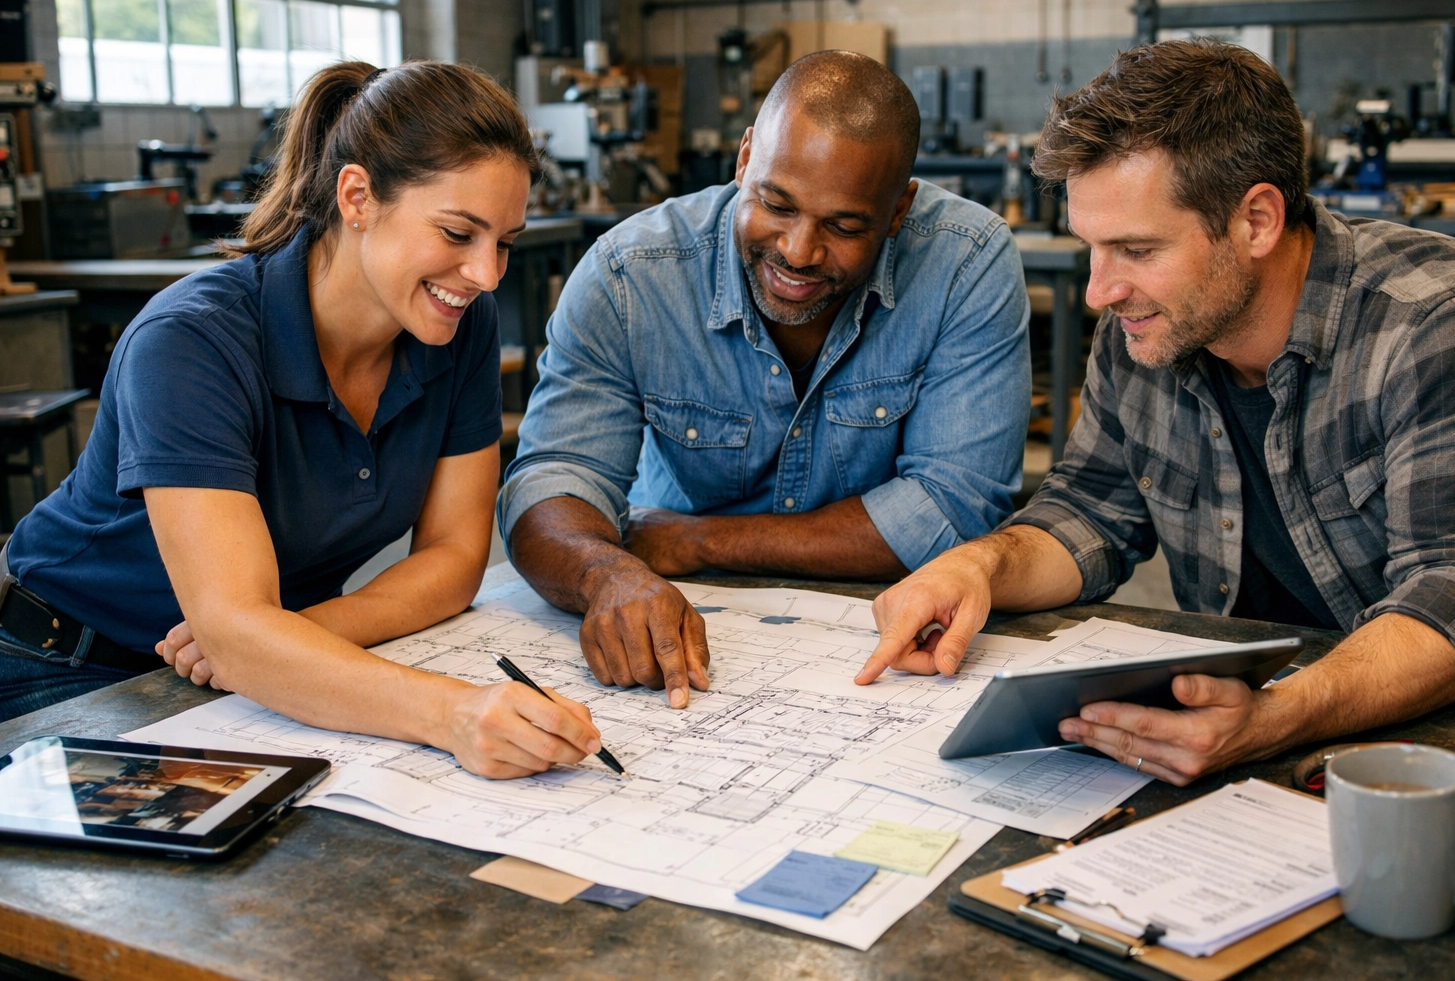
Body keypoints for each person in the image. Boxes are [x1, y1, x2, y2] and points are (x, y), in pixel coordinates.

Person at [857, 39, 1455, 785]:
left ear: (1257, 221)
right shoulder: (1143, 334)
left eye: (1136, 249)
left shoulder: (1440, 321)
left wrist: (1274, 718)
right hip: (1243, 728)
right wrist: (978, 565)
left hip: (1439, 751)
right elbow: (1090, 513)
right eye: (1092, 248)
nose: (1099, 292)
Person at [0, 61, 602, 779]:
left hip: (259, 666)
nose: (487, 273)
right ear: (357, 197)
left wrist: (277, 641)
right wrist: (450, 713)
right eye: (456, 232)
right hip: (73, 672)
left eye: (503, 241)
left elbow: (453, 559)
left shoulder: (458, 326)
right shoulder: (192, 342)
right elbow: (236, 627)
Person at [503, 51, 1029, 710]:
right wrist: (605, 573)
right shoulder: (630, 275)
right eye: (776, 205)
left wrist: (696, 541)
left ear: (898, 211)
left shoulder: (965, 263)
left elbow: (952, 509)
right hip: (669, 605)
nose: (798, 251)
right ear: (745, 158)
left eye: (844, 226)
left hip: (888, 629)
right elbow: (551, 481)